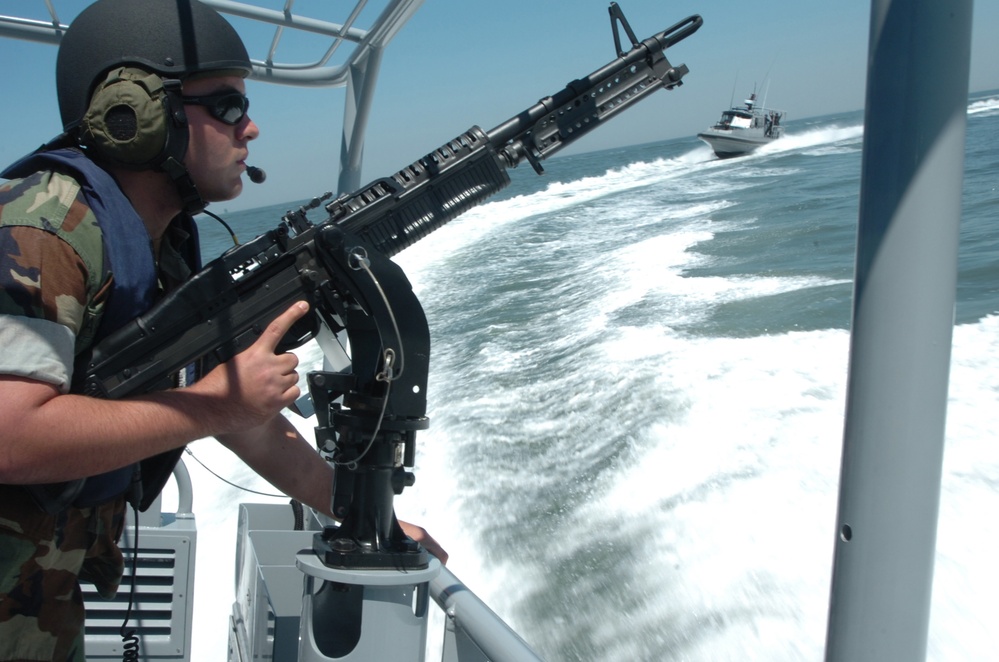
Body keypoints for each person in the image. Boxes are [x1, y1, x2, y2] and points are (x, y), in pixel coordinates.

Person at [0, 1, 445, 659]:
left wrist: (368, 519)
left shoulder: (158, 250)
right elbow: (11, 435)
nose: (251, 128)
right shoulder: (40, 231)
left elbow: (243, 420)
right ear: (135, 114)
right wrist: (214, 404)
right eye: (228, 106)